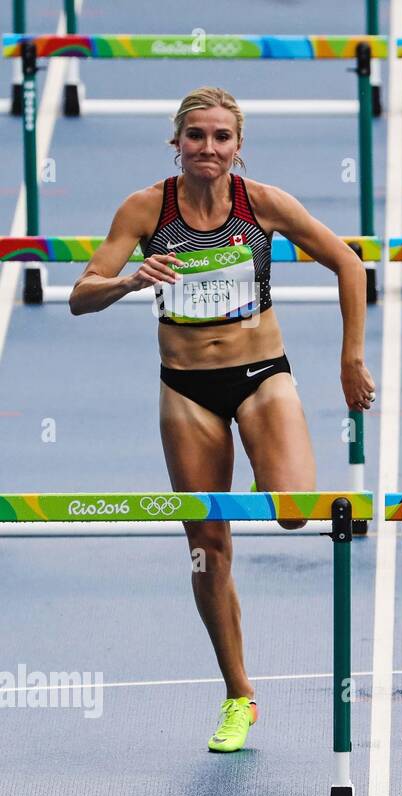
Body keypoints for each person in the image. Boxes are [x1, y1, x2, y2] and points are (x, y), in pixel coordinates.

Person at [68, 87, 376, 750]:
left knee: (293, 508)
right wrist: (128, 280)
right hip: (186, 390)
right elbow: (79, 296)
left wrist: (351, 359)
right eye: (196, 136)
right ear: (175, 142)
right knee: (208, 550)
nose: (208, 148)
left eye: (221, 138)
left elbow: (349, 264)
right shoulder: (145, 208)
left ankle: (283, 459)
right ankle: (239, 695)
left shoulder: (261, 203)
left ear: (239, 147)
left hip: (262, 377)